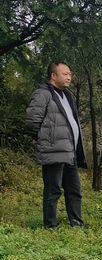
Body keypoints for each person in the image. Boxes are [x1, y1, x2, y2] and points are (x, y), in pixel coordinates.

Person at [25, 62, 87, 229]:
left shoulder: (67, 95)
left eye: (70, 74)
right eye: (65, 74)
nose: (69, 77)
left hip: (70, 151)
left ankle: (77, 224)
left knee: (74, 190)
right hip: (53, 151)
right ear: (53, 76)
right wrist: (42, 139)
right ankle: (50, 226)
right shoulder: (43, 94)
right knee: (53, 191)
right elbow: (32, 121)